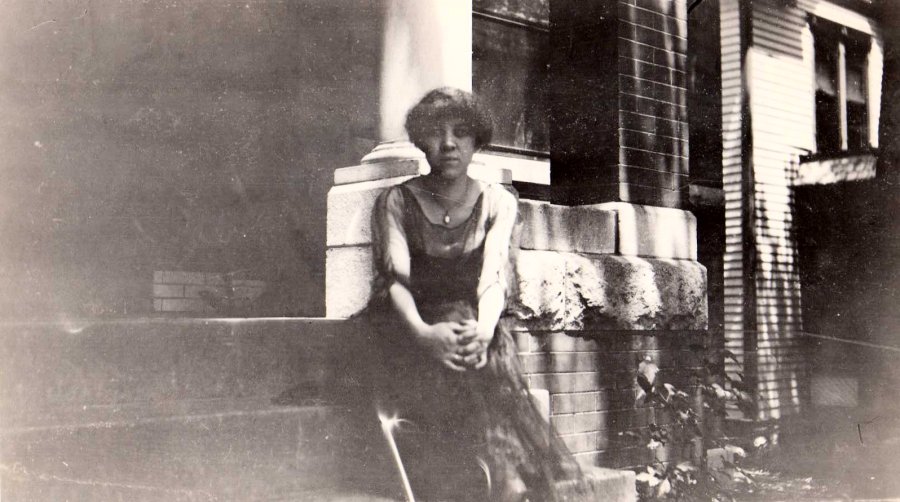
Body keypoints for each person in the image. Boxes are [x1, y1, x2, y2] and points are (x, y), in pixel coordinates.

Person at [359, 88, 594, 501]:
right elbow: (395, 281)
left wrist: (485, 331)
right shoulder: (396, 201)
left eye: (461, 132)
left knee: (468, 325)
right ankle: (493, 478)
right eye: (437, 133)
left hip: (473, 333)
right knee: (454, 328)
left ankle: (503, 479)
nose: (449, 143)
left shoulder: (497, 202)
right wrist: (424, 334)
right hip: (408, 331)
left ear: (476, 141)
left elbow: (494, 279)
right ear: (422, 141)